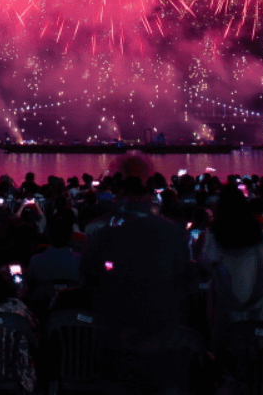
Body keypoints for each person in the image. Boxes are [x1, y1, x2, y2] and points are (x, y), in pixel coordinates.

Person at [80, 153, 190, 394]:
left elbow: (88, 280)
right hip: (160, 338)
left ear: (120, 194)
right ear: (149, 193)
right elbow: (184, 283)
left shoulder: (103, 232)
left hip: (116, 338)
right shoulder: (171, 232)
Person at [201, 184, 263, 341]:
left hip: (225, 296)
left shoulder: (215, 231)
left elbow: (206, 261)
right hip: (256, 295)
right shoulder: (257, 230)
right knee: (255, 341)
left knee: (227, 342)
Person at [27, 216, 81, 313]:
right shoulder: (79, 260)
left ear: (48, 235)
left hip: (42, 312)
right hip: (72, 310)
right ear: (70, 236)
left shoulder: (36, 260)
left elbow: (29, 286)